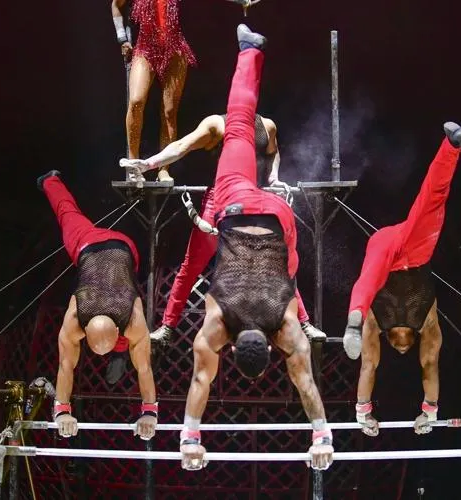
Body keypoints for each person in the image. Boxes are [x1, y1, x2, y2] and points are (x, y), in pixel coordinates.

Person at [137, 24, 333, 471]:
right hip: (236, 204)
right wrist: (188, 440)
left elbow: (302, 383)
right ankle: (248, 50)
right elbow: (202, 382)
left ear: (271, 348)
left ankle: (249, 51)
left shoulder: (282, 332)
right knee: (240, 125)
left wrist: (323, 437)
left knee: (285, 270)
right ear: (231, 346)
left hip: (267, 213)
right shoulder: (217, 329)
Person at [122, 113, 327, 343]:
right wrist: (150, 164)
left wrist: (273, 178)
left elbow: (273, 152)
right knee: (191, 267)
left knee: (277, 262)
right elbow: (182, 146)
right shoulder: (216, 124)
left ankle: (304, 322)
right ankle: (168, 327)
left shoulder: (267, 125)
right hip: (219, 202)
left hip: (252, 202)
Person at [341, 123, 461, 436]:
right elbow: (429, 365)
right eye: (406, 349)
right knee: (433, 203)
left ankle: (352, 321)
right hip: (416, 254)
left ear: (390, 341)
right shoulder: (428, 325)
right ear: (411, 341)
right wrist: (430, 410)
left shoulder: (376, 325)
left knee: (370, 280)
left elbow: (369, 366)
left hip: (386, 249)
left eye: (397, 349)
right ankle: (452, 146)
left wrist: (363, 413)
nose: (402, 350)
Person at [37, 171, 157, 440]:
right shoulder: (74, 318)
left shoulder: (132, 320)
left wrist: (150, 412)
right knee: (67, 214)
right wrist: (62, 411)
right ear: (84, 335)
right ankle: (49, 180)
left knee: (68, 214)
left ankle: (121, 352)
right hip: (104, 246)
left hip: (108, 246)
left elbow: (145, 368)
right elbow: (65, 366)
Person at [111, 0, 195, 183]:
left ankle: (163, 169)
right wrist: (122, 39)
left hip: (175, 48)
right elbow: (116, 5)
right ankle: (133, 164)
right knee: (136, 101)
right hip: (145, 48)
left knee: (169, 112)